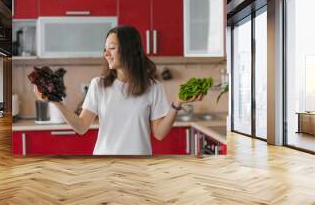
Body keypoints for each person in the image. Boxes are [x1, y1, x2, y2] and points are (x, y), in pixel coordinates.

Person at [34, 25, 203, 155]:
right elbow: (81, 127)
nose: (106, 53)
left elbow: (159, 134)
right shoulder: (98, 85)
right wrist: (55, 101)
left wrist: (177, 103)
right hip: (105, 166)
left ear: (128, 49)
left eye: (112, 48)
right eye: (105, 48)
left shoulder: (153, 87)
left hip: (139, 168)